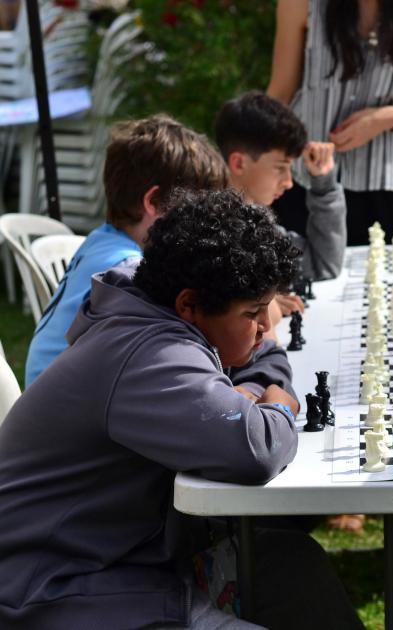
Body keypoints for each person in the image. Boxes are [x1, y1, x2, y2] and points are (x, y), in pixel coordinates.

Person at [0, 189, 364, 629]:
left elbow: (242, 375)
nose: (265, 325)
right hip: (56, 592)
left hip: (117, 562)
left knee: (291, 563)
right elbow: (256, 448)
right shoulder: (150, 355)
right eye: (253, 312)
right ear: (189, 304)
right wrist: (280, 407)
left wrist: (254, 379)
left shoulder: (153, 315)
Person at [23, 114, 228, 387]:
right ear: (153, 201)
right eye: (196, 209)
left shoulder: (103, 239)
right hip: (65, 412)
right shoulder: (125, 270)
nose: (203, 223)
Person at [267, 0, 393, 245]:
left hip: (391, 184)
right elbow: (280, 93)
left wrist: (386, 118)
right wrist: (255, 159)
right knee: (291, 281)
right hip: (307, 183)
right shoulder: (300, 4)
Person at [214, 90, 347, 283]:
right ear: (239, 163)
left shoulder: (255, 221)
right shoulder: (210, 228)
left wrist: (324, 184)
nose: (289, 182)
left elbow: (321, 265)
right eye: (280, 168)